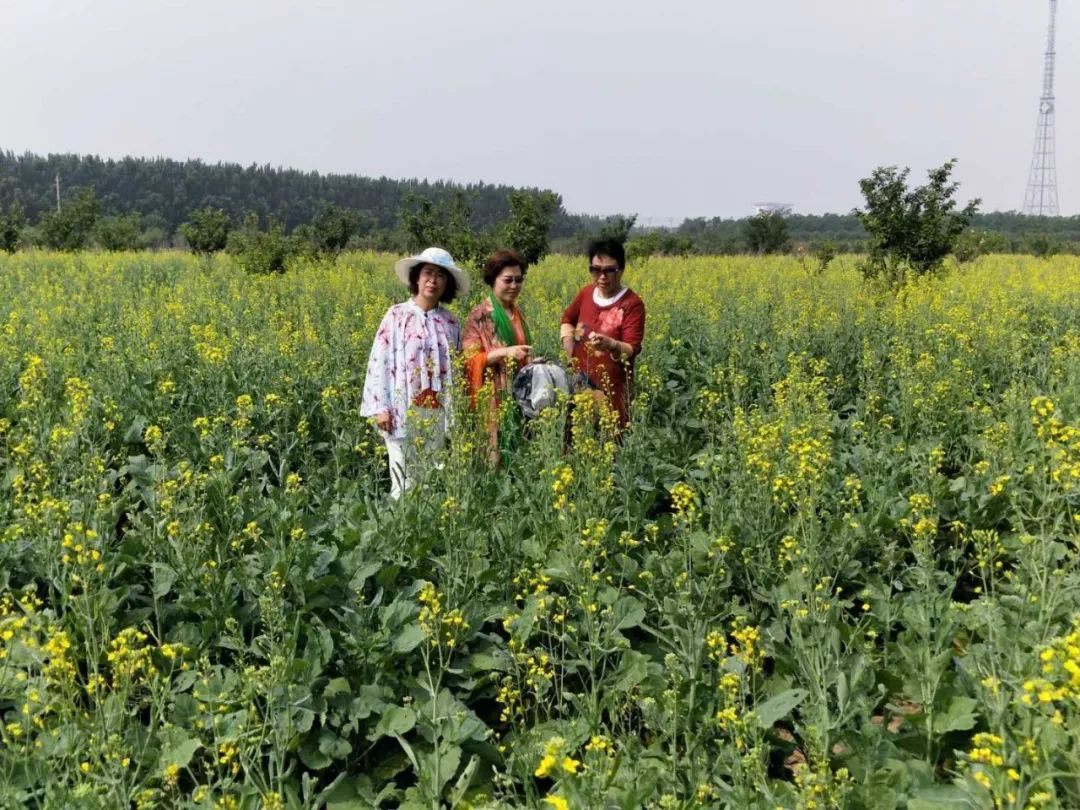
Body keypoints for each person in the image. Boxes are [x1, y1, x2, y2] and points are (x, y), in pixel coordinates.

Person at [361, 247, 468, 498]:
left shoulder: (451, 322)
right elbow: (379, 361)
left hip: (436, 410)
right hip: (401, 409)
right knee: (403, 479)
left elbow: (457, 368)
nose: (433, 280)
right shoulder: (396, 315)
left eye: (440, 276)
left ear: (447, 284)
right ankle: (399, 531)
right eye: (428, 273)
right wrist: (381, 408)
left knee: (430, 476)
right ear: (416, 278)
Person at [560, 238, 645, 429]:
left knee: (611, 441)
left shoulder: (632, 304)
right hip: (580, 385)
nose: (602, 276)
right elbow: (567, 319)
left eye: (609, 270)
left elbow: (632, 348)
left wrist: (610, 345)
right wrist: (569, 350)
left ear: (621, 270)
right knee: (577, 439)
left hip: (614, 390)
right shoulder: (586, 293)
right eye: (596, 269)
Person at [463, 249, 533, 464]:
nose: (514, 286)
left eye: (519, 280)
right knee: (494, 457)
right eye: (508, 280)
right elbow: (469, 360)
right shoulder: (480, 314)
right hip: (492, 397)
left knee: (519, 452)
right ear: (493, 280)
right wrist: (504, 352)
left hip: (518, 393)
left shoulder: (517, 312)